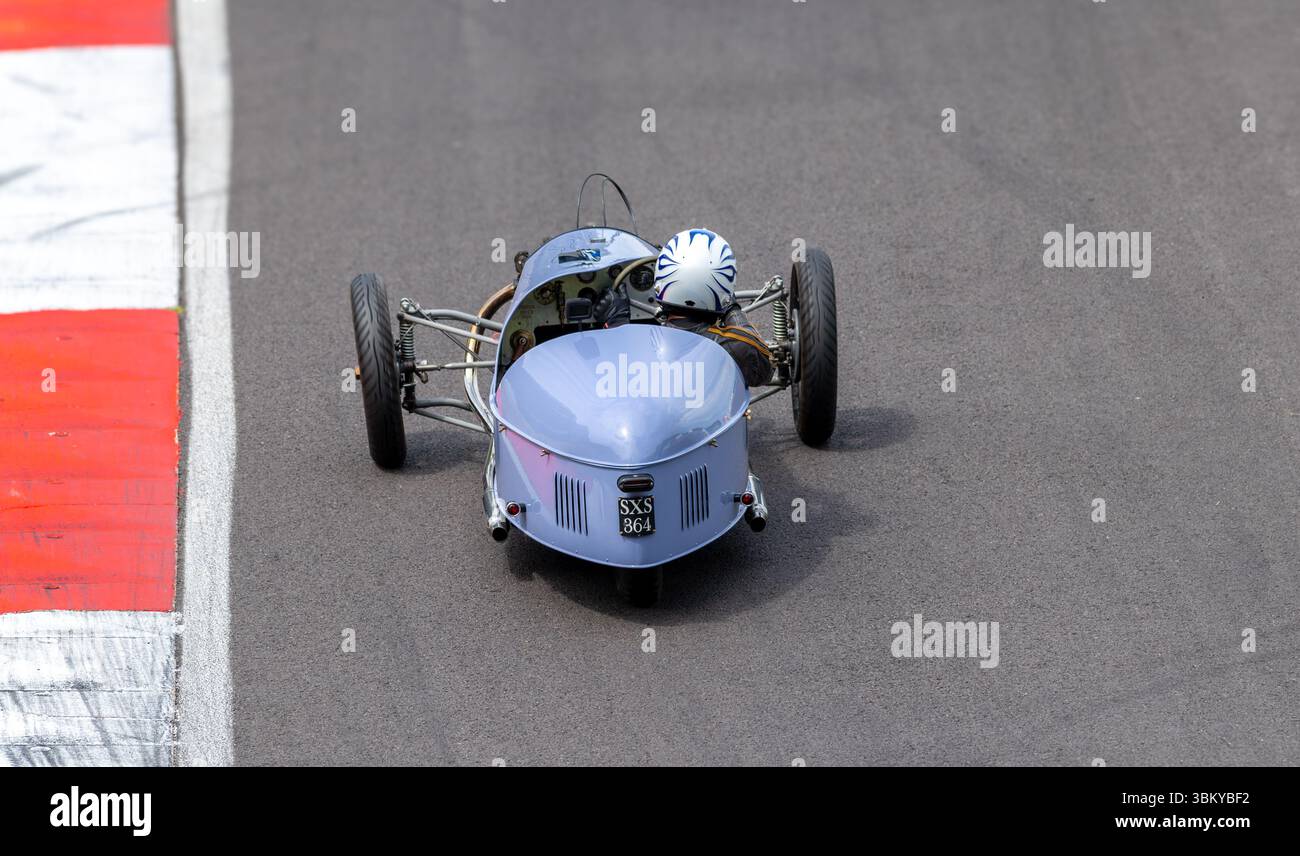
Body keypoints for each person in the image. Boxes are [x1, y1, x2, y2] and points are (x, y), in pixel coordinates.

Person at [651, 228, 772, 387]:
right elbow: (764, 370)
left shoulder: (640, 344)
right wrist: (732, 309)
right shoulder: (735, 346)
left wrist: (616, 320)